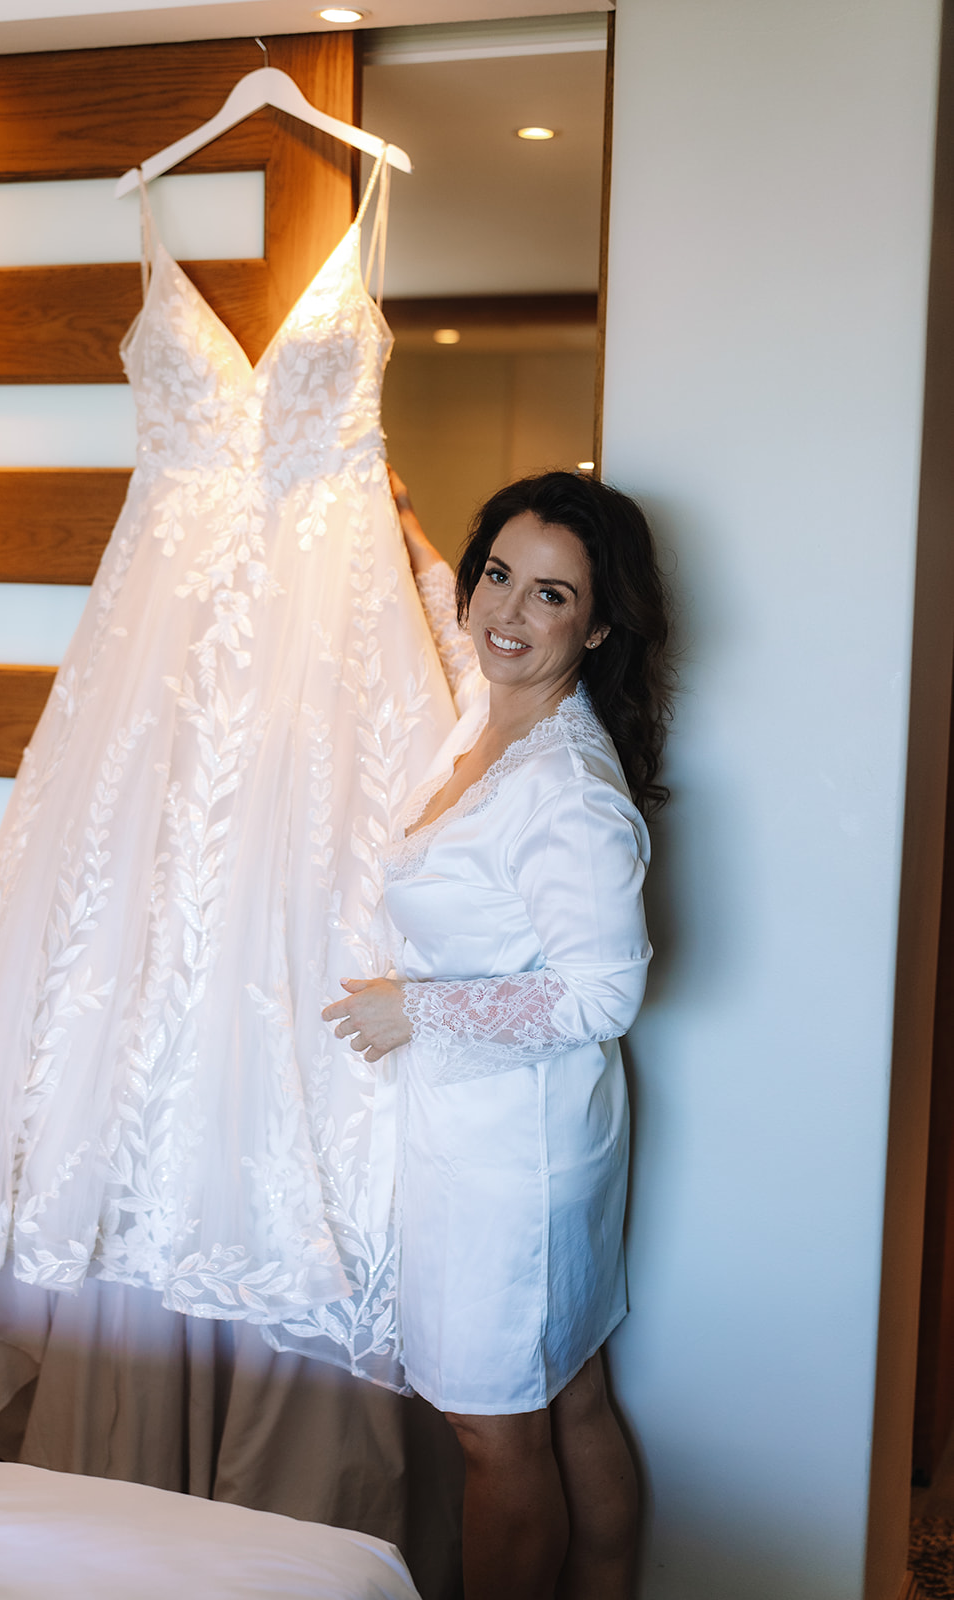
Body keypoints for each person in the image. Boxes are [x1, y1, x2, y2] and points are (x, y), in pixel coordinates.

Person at [322, 467, 672, 1600]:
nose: (504, 614)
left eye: (550, 597)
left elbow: (601, 994)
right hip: (514, 1134)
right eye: (496, 578)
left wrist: (411, 1008)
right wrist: (416, 534)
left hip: (511, 1165)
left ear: (601, 620)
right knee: (568, 1390)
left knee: (493, 1431)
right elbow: (464, 617)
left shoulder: (567, 791)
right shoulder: (495, 712)